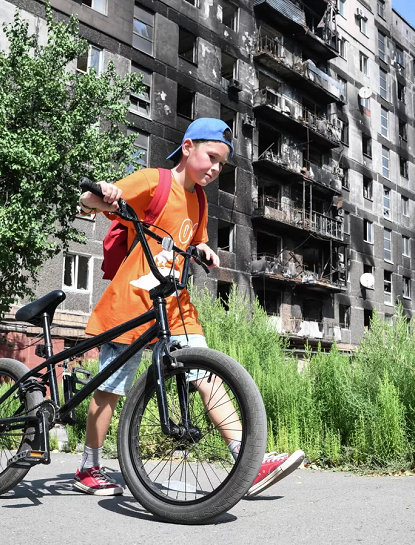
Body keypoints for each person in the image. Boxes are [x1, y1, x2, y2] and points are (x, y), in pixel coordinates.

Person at [76, 118, 305, 497]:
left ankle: (248, 461)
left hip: (174, 303)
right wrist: (106, 192)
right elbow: (89, 202)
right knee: (111, 388)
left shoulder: (199, 200)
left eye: (221, 164)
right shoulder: (154, 182)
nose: (216, 168)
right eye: (211, 157)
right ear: (187, 148)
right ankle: (89, 466)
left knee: (206, 373)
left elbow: (192, 240)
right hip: (133, 300)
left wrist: (203, 249)